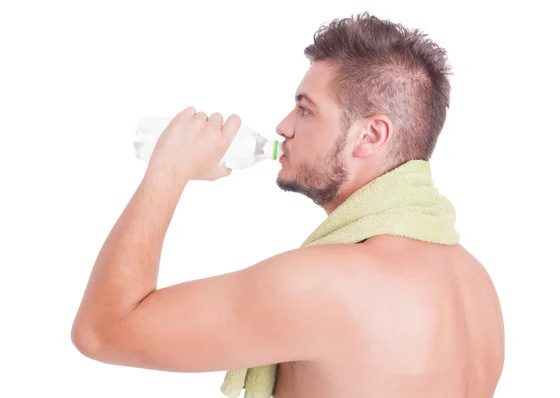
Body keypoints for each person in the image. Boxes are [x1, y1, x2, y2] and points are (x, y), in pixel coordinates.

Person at [71, 12, 505, 397]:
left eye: (306, 110)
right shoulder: (476, 285)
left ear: (371, 136)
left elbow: (102, 330)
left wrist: (167, 171)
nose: (283, 127)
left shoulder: (326, 283)